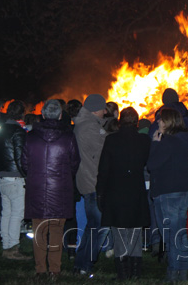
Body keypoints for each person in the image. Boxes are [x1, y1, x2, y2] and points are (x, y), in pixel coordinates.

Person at [22, 99, 80, 278]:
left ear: (44, 114)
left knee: (39, 231)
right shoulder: (69, 137)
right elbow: (74, 163)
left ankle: (41, 270)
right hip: (60, 190)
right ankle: (54, 269)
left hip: (37, 189)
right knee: (56, 231)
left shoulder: (31, 137)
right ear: (61, 115)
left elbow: (24, 164)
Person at [97, 107, 151, 280]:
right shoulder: (144, 140)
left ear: (120, 121)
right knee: (135, 232)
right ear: (136, 122)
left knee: (119, 233)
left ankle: (123, 273)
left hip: (116, 192)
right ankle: (135, 273)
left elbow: (103, 170)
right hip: (136, 191)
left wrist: (100, 193)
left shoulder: (112, 140)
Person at [148, 108, 188, 282]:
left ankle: (174, 272)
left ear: (167, 122)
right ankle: (183, 270)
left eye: (160, 120)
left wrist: (155, 143)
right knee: (179, 233)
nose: (158, 122)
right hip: (182, 191)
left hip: (168, 193)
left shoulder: (167, 142)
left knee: (170, 235)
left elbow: (152, 164)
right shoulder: (185, 140)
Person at [73, 93, 108, 275]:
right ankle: (86, 265)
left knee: (92, 226)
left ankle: (80, 264)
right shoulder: (89, 128)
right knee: (100, 227)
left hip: (88, 180)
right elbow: (105, 148)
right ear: (96, 109)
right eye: (103, 108)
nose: (105, 112)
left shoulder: (86, 125)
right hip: (92, 182)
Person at [0, 100, 30, 261]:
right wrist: (26, 174)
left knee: (6, 213)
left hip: (3, 176)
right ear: (22, 113)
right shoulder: (18, 132)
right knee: (17, 214)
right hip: (16, 177)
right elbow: (20, 156)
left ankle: (6, 246)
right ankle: (13, 248)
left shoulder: (1, 130)